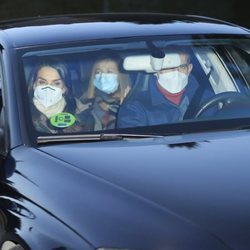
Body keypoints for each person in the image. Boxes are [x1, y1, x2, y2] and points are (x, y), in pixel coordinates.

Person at [117, 46, 214, 128]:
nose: (175, 73)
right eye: (169, 67)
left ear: (189, 69)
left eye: (182, 67)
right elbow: (135, 147)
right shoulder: (134, 107)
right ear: (157, 70)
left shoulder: (206, 98)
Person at [28, 59, 94, 133]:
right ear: (34, 84)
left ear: (64, 88)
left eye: (56, 83)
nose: (48, 88)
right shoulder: (21, 115)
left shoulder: (81, 116)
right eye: (42, 82)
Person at [81, 54, 131, 130]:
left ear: (121, 76)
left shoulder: (132, 103)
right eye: (98, 72)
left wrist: (124, 108)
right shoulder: (85, 102)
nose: (102, 77)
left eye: (109, 72)